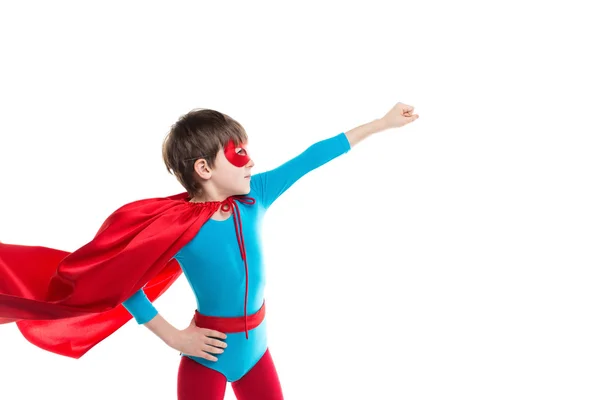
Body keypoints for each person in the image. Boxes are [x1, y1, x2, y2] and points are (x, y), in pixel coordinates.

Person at [0, 102, 419, 400]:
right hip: (208, 354)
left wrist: (380, 124)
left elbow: (311, 157)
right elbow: (125, 283)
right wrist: (174, 337)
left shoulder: (256, 195)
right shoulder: (174, 226)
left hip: (258, 350)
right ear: (204, 169)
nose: (251, 162)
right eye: (238, 153)